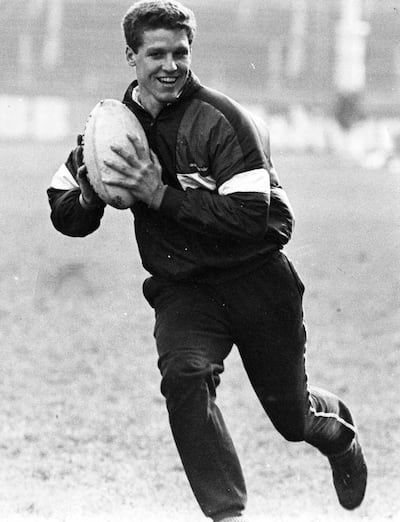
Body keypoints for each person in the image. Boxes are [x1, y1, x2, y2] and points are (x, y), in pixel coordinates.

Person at [47, 2, 367, 521]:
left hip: (257, 277)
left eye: (180, 52)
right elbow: (64, 209)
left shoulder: (222, 119)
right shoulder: (112, 127)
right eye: (156, 53)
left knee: (292, 419)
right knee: (184, 375)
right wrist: (88, 196)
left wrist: (159, 195)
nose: (170, 65)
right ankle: (227, 513)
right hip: (185, 289)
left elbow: (251, 217)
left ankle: (338, 434)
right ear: (131, 56)